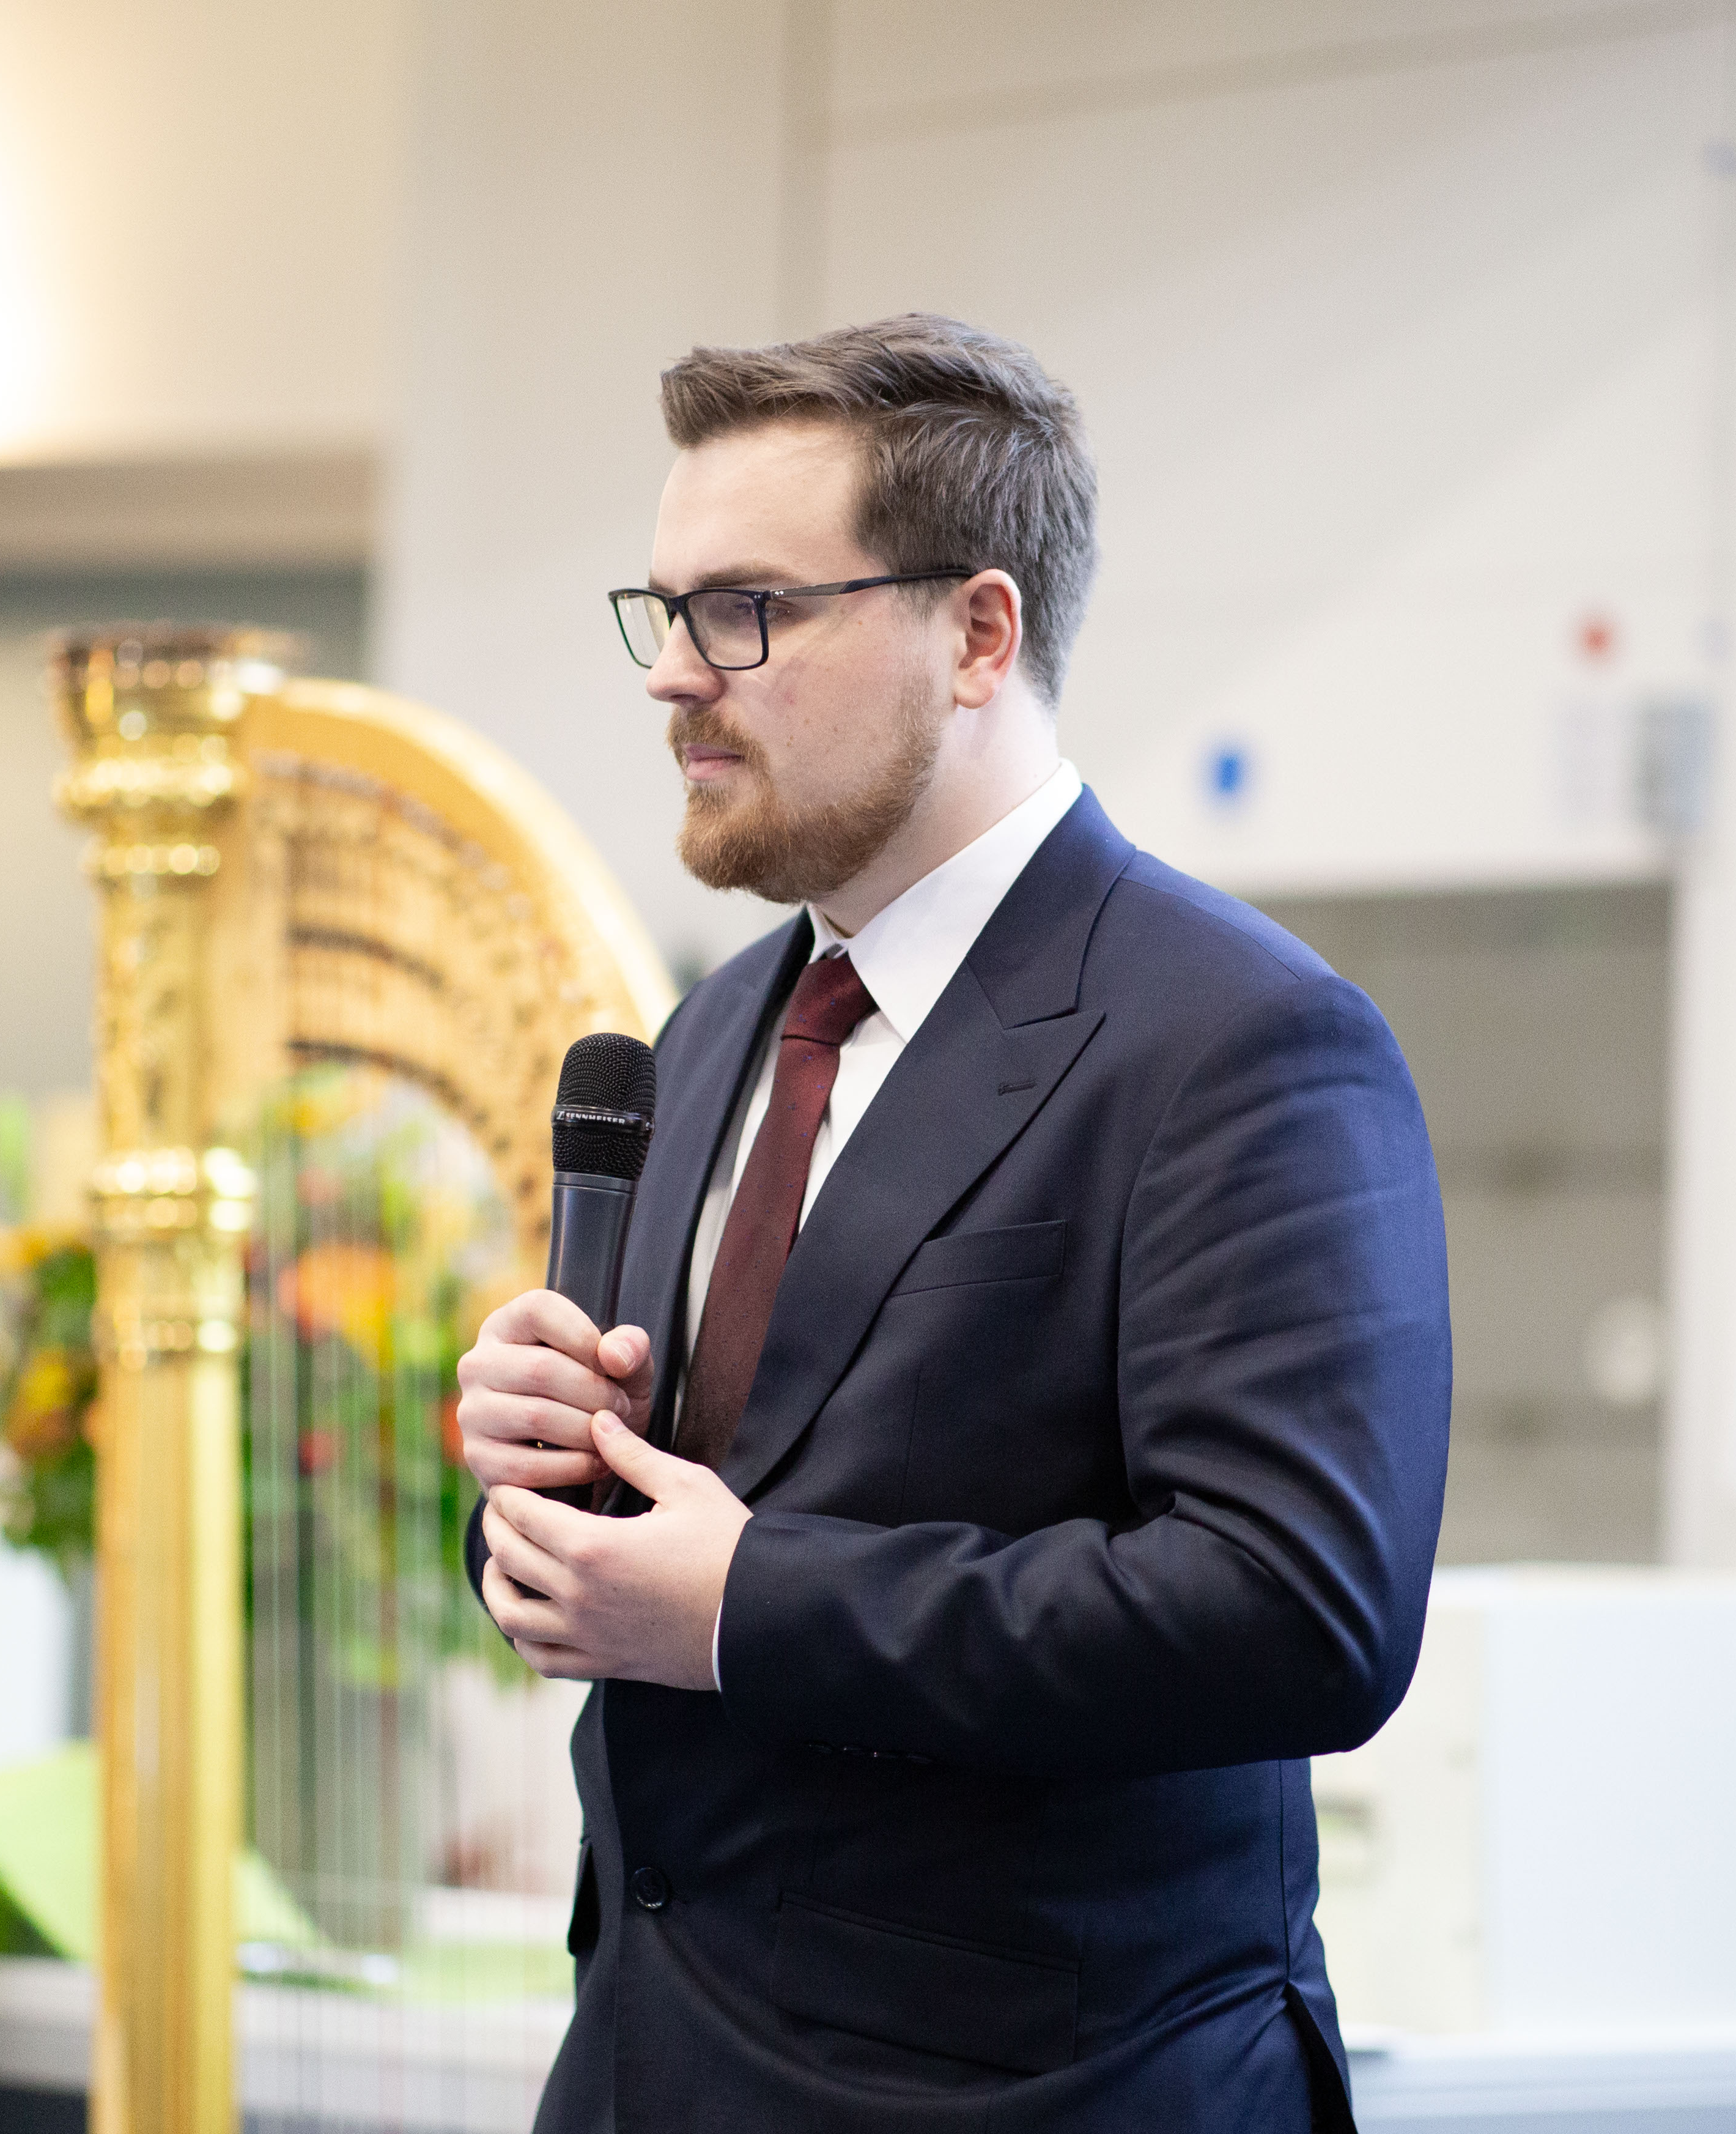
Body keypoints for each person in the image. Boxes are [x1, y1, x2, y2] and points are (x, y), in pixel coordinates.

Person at [456, 316, 1450, 2130]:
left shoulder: (1236, 1038)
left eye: (745, 611)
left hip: (1045, 2093)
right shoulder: (708, 1032)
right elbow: (669, 1545)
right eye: (662, 611)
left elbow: (1298, 1610)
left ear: (977, 635)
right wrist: (535, 1488)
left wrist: (748, 1600)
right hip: (654, 2065)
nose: (672, 676)